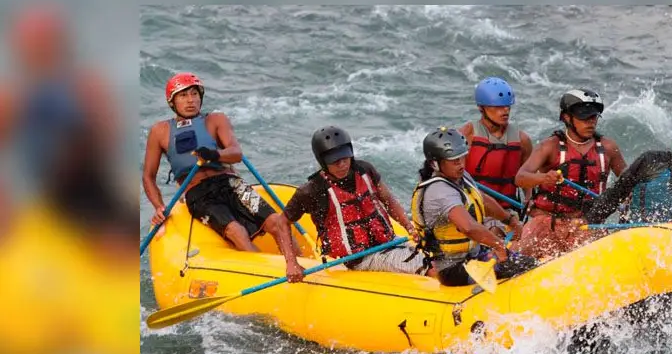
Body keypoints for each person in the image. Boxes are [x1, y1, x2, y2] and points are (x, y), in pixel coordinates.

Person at [141, 71, 304, 282]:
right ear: (172, 102)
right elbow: (148, 177)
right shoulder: (160, 131)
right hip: (198, 194)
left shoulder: (216, 120)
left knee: (276, 222)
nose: (190, 100)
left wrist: (215, 154)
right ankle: (270, 278)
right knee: (237, 233)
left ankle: (304, 266)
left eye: (194, 94)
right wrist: (159, 206)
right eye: (183, 95)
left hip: (230, 183)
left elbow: (236, 152)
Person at [0, 3, 135, 256]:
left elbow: (108, 140)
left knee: (122, 233)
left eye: (46, 42)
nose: (39, 51)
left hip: (90, 187)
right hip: (52, 193)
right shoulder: (13, 97)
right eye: (33, 44)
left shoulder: (85, 85)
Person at [279, 126, 426, 274]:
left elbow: (388, 199)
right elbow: (282, 222)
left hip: (387, 242)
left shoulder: (365, 170)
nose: (342, 165)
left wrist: (408, 226)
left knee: (433, 253)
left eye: (345, 158)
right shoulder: (311, 191)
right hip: (356, 259)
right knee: (426, 265)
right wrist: (291, 263)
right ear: (322, 161)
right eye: (335, 162)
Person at [411, 127, 538, 287]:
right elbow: (468, 227)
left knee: (528, 262)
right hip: (454, 269)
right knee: (525, 266)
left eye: (462, 157)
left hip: (475, 256)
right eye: (453, 160)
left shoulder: (460, 176)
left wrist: (510, 220)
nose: (461, 164)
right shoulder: (439, 191)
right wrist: (498, 246)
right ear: (434, 163)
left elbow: (482, 200)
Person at [514, 89, 627, 259]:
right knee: (522, 260)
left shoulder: (609, 148)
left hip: (586, 224)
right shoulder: (549, 147)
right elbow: (520, 178)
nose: (591, 122)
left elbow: (629, 183)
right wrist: (544, 178)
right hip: (546, 222)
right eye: (584, 118)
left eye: (594, 117)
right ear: (567, 118)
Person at [458, 77, 533, 235]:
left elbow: (528, 179)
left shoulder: (522, 140)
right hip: (476, 210)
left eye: (507, 106)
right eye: (498, 107)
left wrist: (529, 199)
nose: (505, 111)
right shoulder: (467, 135)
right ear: (481, 108)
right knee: (494, 231)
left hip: (510, 210)